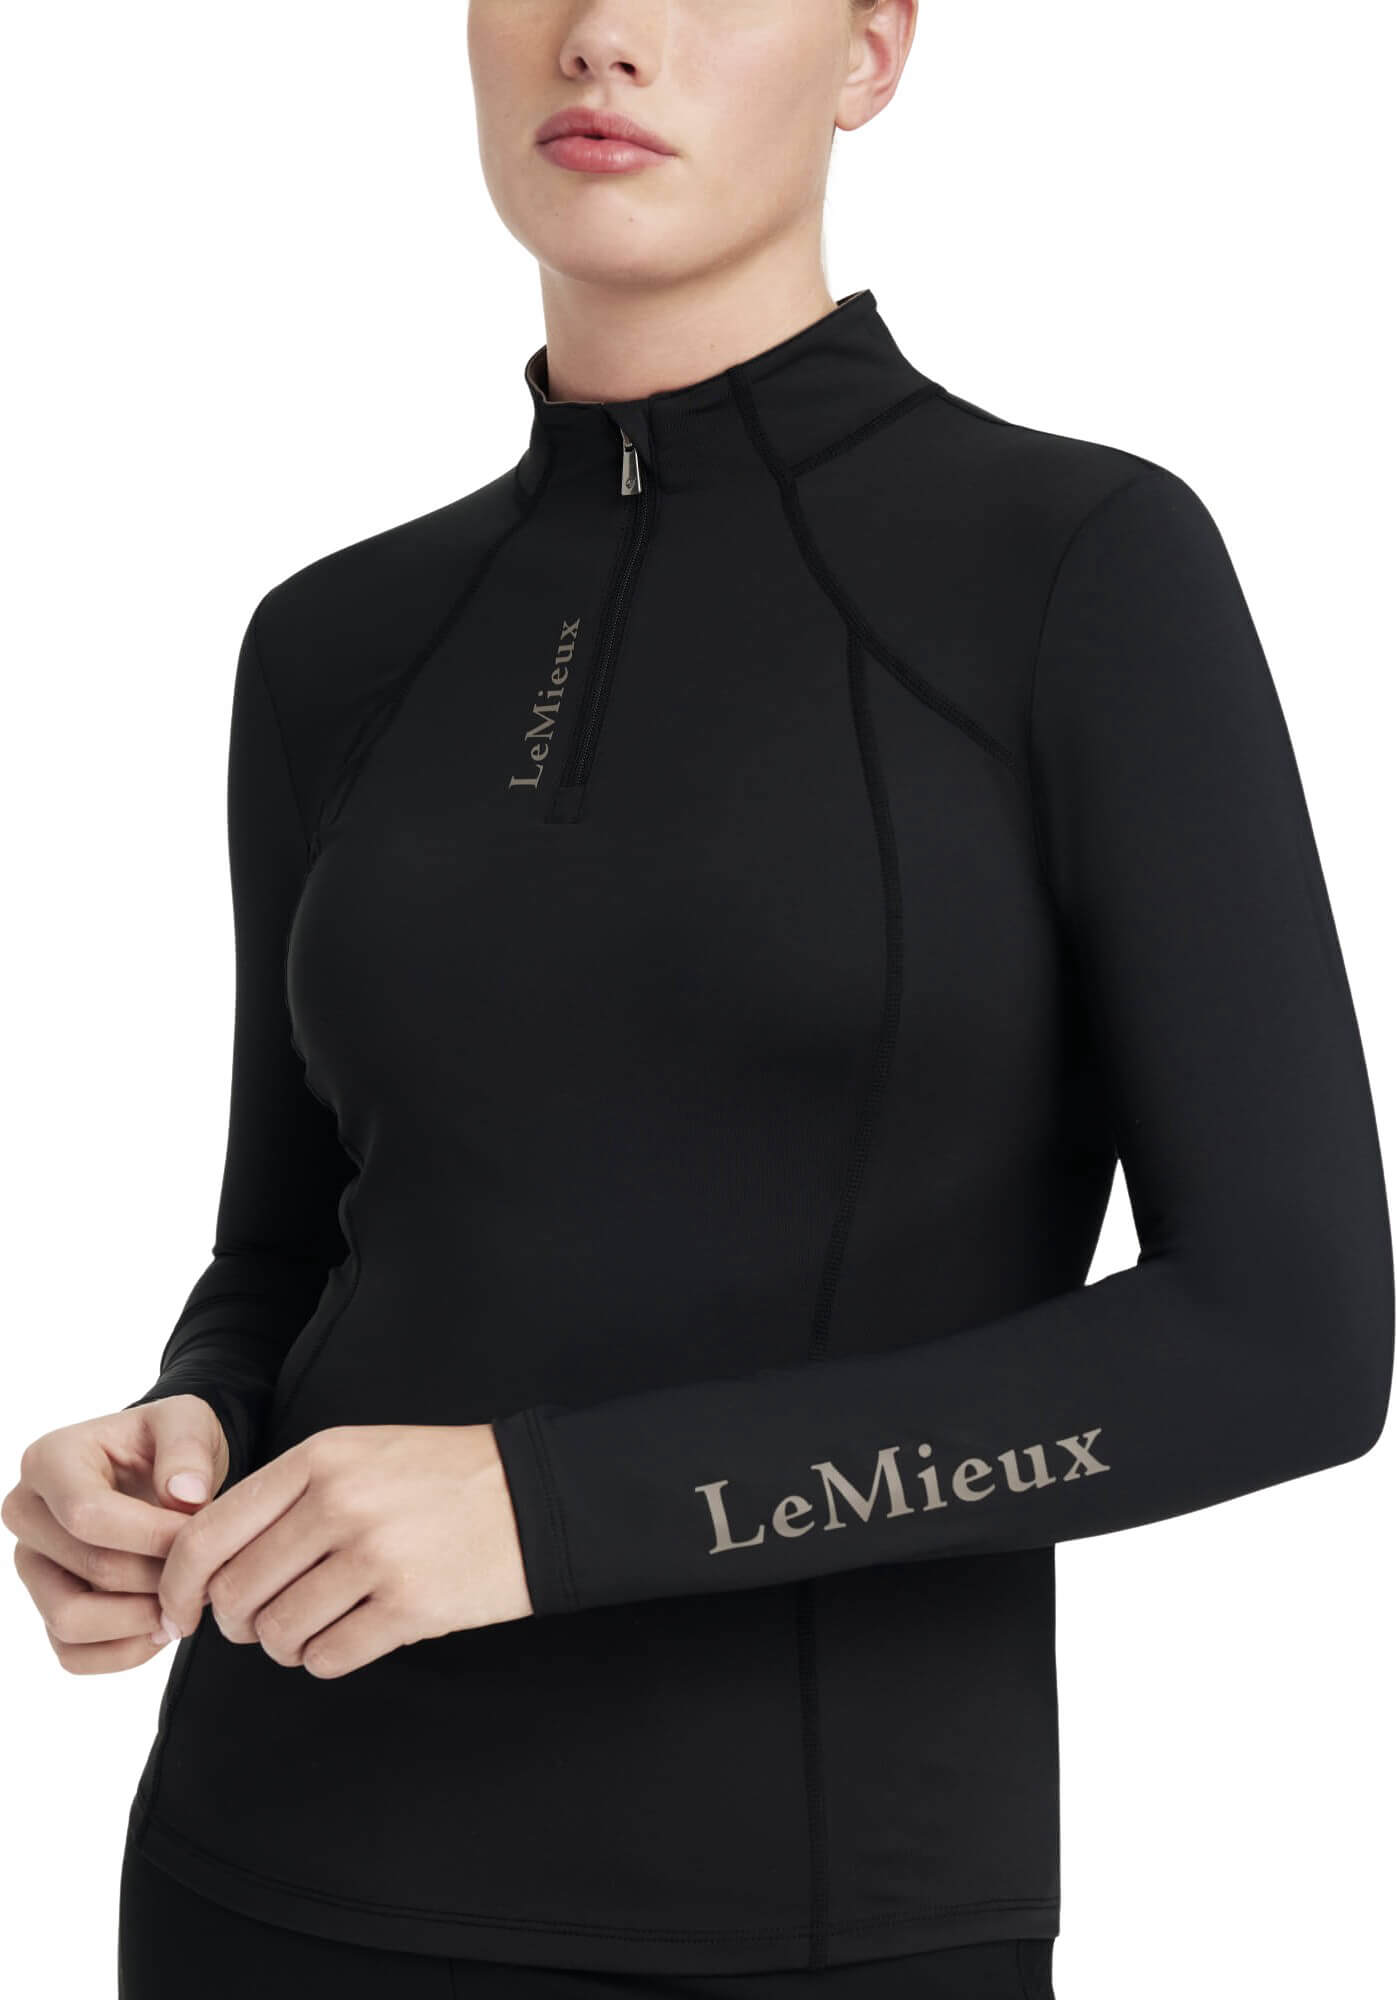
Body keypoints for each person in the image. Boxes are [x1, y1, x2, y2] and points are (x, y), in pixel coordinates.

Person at [4, 1, 1391, 1994]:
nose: (603, 35)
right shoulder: (332, 641)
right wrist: (179, 1435)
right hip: (262, 1879)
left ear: (871, 51)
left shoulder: (1075, 568)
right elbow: (288, 1249)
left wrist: (549, 1512)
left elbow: (1288, 1342)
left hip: (811, 1929)